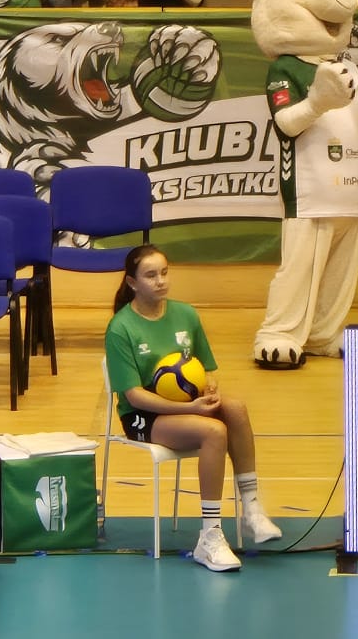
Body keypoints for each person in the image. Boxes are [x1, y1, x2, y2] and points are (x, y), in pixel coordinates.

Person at [105, 244, 282, 572]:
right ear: (132, 282)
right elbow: (135, 396)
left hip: (189, 406)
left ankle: (252, 509)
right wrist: (195, 411)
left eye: (164, 272)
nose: (160, 281)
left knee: (236, 409)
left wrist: (210, 388)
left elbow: (206, 368)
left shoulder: (186, 315)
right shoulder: (121, 328)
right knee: (214, 432)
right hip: (144, 416)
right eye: (150, 275)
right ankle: (210, 537)